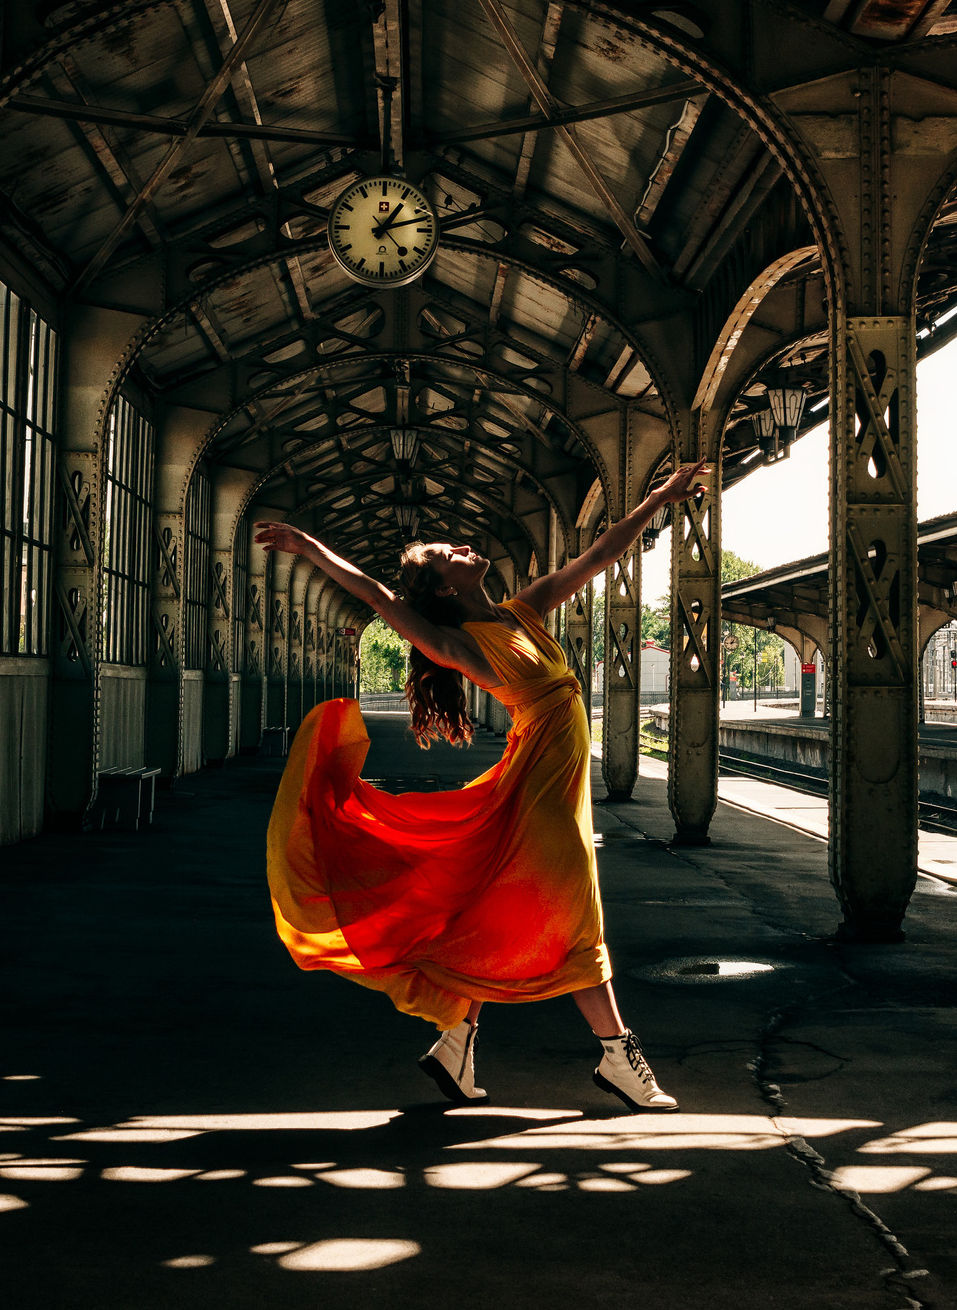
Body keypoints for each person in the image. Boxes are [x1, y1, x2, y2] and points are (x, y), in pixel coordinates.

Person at [255, 461, 711, 1115]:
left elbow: (602, 552)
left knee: (489, 909)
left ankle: (456, 1041)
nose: (468, 548)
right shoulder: (458, 642)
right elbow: (380, 597)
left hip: (556, 783)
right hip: (539, 795)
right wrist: (310, 546)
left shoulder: (523, 610)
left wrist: (659, 496)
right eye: (452, 555)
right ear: (444, 589)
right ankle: (619, 1057)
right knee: (575, 914)